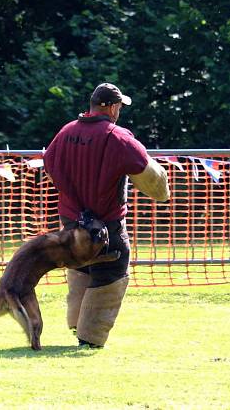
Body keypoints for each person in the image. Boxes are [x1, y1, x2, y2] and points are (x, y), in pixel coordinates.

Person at [43, 82, 170, 348]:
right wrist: (162, 191)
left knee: (81, 266)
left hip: (71, 222)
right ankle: (90, 338)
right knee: (111, 271)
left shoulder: (66, 132)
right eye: (120, 106)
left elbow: (50, 162)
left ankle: (77, 322)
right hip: (106, 224)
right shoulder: (118, 137)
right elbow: (147, 170)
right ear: (112, 107)